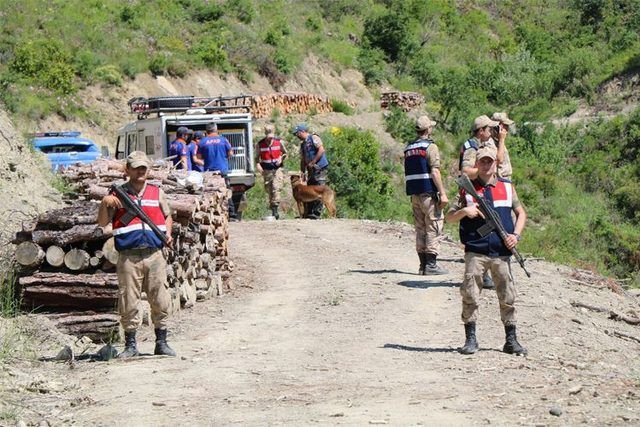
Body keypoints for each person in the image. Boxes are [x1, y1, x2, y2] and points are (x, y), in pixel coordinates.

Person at [445, 147, 527, 356]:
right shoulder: (466, 190)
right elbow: (449, 217)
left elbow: (521, 213)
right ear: (477, 164)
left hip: (501, 252)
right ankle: (470, 339)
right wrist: (465, 211)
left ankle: (511, 340)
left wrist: (515, 236)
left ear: (495, 164)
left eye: (490, 161)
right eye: (483, 161)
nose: (487, 165)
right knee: (471, 295)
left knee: (507, 296)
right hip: (476, 251)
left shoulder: (507, 187)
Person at [97, 151, 176, 358]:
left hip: (154, 253)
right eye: (136, 167)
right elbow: (102, 223)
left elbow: (167, 216)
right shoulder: (117, 194)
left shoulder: (156, 192)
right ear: (127, 170)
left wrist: (167, 234)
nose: (140, 171)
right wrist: (105, 203)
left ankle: (161, 342)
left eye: (144, 167)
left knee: (160, 298)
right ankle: (131, 345)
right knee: (128, 300)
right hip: (128, 256)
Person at [404, 115, 449, 275]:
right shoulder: (430, 147)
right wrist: (442, 193)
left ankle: (422, 266)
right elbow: (435, 171)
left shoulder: (408, 148)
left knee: (420, 228)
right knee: (433, 226)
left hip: (414, 194)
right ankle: (431, 265)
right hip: (428, 194)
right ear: (428, 129)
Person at [459, 115, 500, 289]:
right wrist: (483, 171)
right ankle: (481, 274)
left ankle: (484, 274)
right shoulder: (472, 147)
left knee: (489, 229)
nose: (491, 132)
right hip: (474, 193)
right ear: (481, 130)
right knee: (479, 232)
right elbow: (466, 171)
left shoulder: (482, 146)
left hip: (482, 190)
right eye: (488, 129)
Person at [199, 123, 236, 218]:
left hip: (209, 172)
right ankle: (231, 214)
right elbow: (231, 153)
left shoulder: (203, 142)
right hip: (222, 170)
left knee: (210, 193)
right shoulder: (223, 140)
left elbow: (199, 156)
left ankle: (212, 214)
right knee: (226, 191)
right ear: (216, 130)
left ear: (206, 131)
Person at [293, 123, 329, 219]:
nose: (296, 136)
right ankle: (309, 213)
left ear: (302, 132)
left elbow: (321, 150)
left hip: (319, 168)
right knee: (310, 191)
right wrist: (302, 172)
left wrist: (313, 162)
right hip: (310, 171)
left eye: (297, 133)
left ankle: (316, 213)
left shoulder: (314, 138)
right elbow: (303, 159)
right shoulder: (303, 144)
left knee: (319, 189)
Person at [255, 124, 288, 219]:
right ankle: (273, 209)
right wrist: (258, 165)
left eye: (272, 137)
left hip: (277, 169)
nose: (270, 139)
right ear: (265, 135)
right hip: (266, 170)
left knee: (276, 188)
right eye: (268, 137)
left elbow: (285, 153)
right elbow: (257, 158)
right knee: (269, 190)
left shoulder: (279, 142)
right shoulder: (260, 144)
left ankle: (275, 210)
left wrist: (281, 159)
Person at [490, 112, 514, 180]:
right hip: (499, 179)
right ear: (497, 127)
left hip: (506, 178)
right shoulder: (491, 142)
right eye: (505, 125)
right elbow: (499, 160)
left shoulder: (499, 141)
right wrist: (502, 139)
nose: (507, 128)